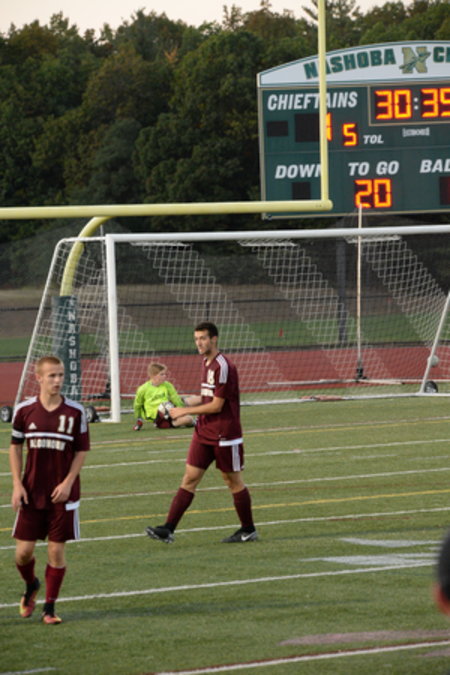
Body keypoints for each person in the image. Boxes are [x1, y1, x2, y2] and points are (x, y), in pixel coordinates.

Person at [146, 321, 258, 544]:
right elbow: (207, 397)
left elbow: (217, 405)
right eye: (196, 339)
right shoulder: (205, 363)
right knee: (190, 478)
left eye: (203, 338)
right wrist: (182, 402)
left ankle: (248, 530)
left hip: (224, 433)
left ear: (214, 339)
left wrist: (184, 411)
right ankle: (168, 529)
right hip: (204, 431)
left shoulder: (223, 366)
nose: (199, 343)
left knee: (233, 481)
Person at [9, 355, 90, 624]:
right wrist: (17, 484)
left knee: (56, 552)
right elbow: (15, 447)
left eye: (61, 375)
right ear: (39, 378)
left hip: (62, 495)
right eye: (52, 375)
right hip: (32, 492)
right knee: (23, 554)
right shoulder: (24, 410)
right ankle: (31, 585)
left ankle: (50, 608)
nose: (57, 380)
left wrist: (68, 483)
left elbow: (81, 451)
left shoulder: (75, 412)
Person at [133, 362, 194, 430]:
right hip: (156, 416)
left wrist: (182, 411)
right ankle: (165, 423)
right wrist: (139, 419)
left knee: (189, 418)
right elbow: (137, 405)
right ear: (153, 376)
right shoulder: (143, 389)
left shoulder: (167, 385)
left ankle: (180, 422)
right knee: (167, 407)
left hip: (169, 411)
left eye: (165, 374)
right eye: (162, 374)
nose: (165, 376)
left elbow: (175, 399)